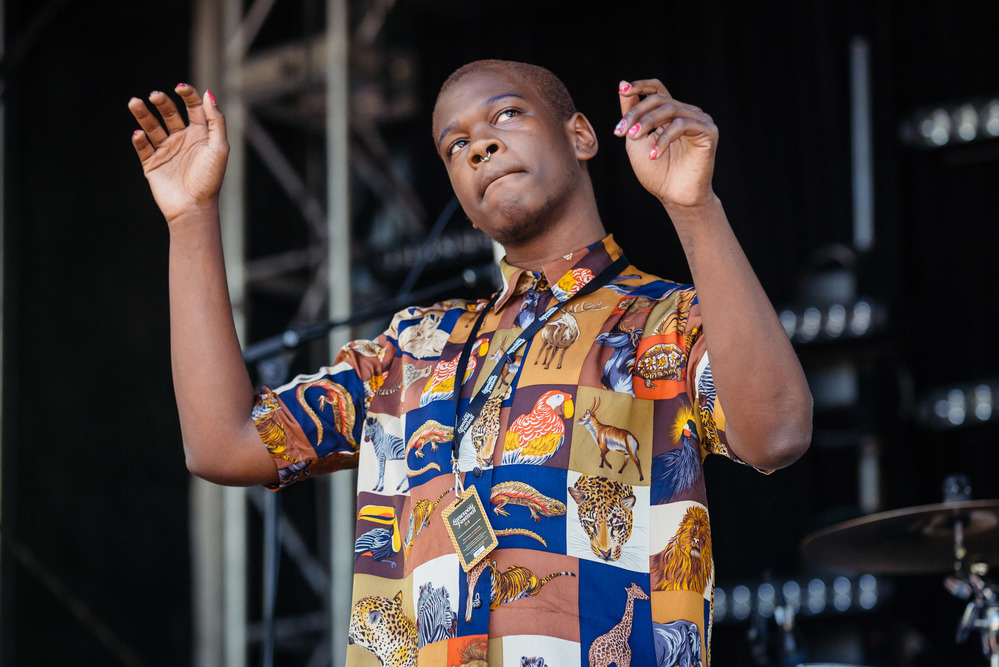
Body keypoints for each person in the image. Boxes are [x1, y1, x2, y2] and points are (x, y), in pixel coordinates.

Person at [129, 60, 811, 666]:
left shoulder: (665, 321)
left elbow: (776, 431)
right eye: (456, 146)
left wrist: (693, 207)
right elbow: (224, 442)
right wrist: (190, 219)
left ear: (580, 135)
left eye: (507, 114)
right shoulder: (412, 347)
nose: (479, 143)